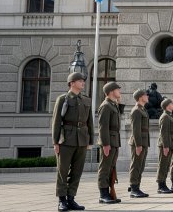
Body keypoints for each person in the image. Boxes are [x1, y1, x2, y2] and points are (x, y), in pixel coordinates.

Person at [52, 72, 93, 212]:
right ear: (72, 83)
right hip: (66, 140)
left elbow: (90, 122)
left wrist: (90, 140)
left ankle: (71, 198)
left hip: (82, 140)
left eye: (83, 81)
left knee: (77, 171)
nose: (83, 83)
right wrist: (55, 142)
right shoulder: (63, 99)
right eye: (80, 81)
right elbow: (56, 121)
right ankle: (62, 200)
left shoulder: (86, 100)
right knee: (62, 171)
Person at [97, 82, 122, 204]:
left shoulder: (113, 105)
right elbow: (103, 127)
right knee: (105, 168)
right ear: (112, 91)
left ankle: (109, 192)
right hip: (109, 142)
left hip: (114, 141)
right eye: (118, 90)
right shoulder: (106, 106)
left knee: (111, 168)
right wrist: (105, 144)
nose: (119, 92)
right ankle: (103, 194)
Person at [128, 89, 150, 198]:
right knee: (136, 165)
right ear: (140, 97)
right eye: (146, 95)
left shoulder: (143, 110)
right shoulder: (136, 110)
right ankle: (133, 188)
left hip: (143, 141)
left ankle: (137, 186)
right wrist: (138, 145)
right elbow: (135, 129)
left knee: (140, 165)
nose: (148, 96)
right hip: (139, 142)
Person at [156, 98, 173, 194]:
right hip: (166, 145)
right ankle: (161, 185)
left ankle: (164, 184)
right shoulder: (165, 117)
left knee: (166, 165)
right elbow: (164, 133)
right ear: (168, 105)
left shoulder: (169, 116)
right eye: (172, 104)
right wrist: (165, 146)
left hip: (169, 144)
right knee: (163, 165)